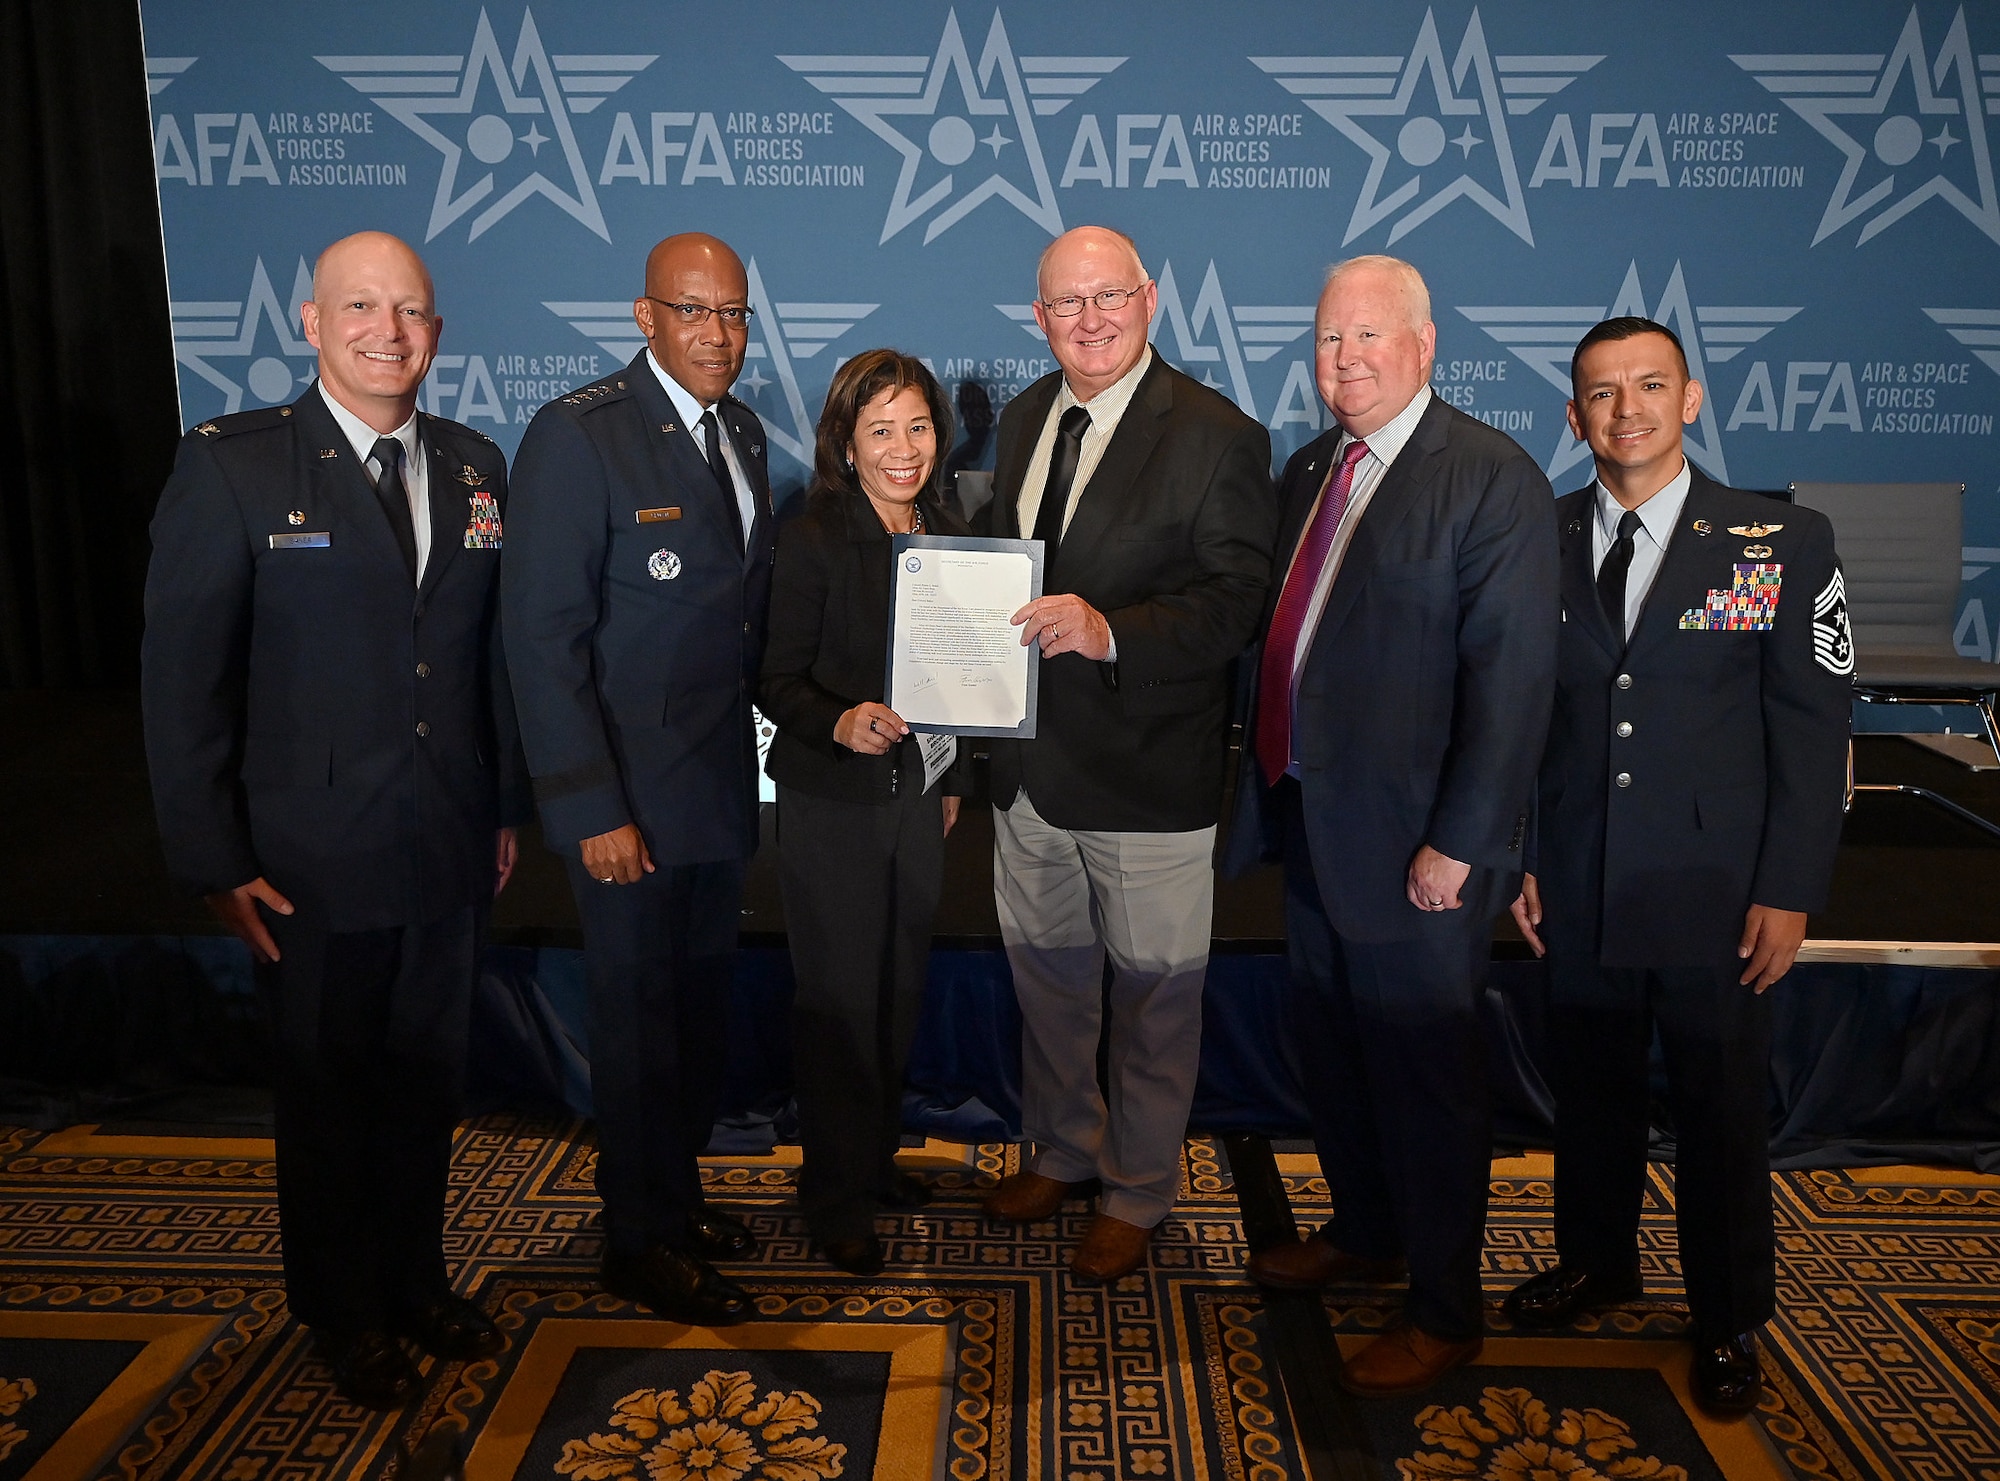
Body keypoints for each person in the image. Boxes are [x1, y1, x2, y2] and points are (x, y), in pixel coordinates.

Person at [142, 231, 526, 1408]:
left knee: (424, 1083)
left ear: (437, 331)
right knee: (326, 1097)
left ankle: (415, 1276)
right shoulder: (233, 467)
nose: (388, 331)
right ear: (310, 324)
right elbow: (182, 679)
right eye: (360, 307)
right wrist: (214, 859)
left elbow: (486, 663)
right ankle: (341, 1308)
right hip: (306, 862)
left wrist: (503, 806)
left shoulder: (473, 465)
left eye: (409, 310)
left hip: (447, 844)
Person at [1502, 317, 1851, 1416]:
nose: (1626, 410)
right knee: (1591, 1093)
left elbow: (1808, 726)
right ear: (1573, 417)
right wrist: (1520, 854)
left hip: (1713, 891)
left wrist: (1788, 885)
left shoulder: (1776, 541)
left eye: (1649, 385)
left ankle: (1727, 1313)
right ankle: (1597, 1259)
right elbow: (1518, 718)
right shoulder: (1536, 535)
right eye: (1600, 394)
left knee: (1716, 1111)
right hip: (1574, 876)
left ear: (1689, 399)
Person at [1227, 254, 1559, 1396]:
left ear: (1425, 344)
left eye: (1368, 337)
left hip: (1422, 851)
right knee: (1337, 1055)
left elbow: (1511, 685)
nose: (1344, 358)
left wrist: (1461, 843)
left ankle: (1442, 1306)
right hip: (1313, 822)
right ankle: (1364, 1229)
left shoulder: (1488, 477)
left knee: (1425, 1078)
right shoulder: (1311, 465)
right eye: (1326, 339)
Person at [978, 225, 1277, 1280]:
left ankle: (1140, 1189)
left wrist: (1110, 631)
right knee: (1050, 987)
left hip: (1148, 779)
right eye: (1066, 304)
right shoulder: (1020, 417)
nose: (1090, 319)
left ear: (1149, 299)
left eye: (1109, 296)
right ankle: (1060, 1151)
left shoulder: (1216, 434)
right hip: (1027, 778)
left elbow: (1234, 603)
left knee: (1154, 1000)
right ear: (1039, 317)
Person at [503, 233, 773, 1325]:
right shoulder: (579, 437)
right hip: (626, 806)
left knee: (694, 1020)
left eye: (734, 314)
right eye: (692, 310)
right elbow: (540, 640)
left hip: (712, 793)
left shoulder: (743, 432)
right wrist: (589, 808)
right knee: (634, 1025)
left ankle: (675, 1195)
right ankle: (635, 1237)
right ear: (643, 316)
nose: (717, 333)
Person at [758, 350, 970, 1275]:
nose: (902, 447)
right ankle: (833, 1195)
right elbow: (772, 678)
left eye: (917, 426)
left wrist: (959, 776)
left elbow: (970, 674)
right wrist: (838, 718)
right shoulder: (809, 538)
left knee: (896, 993)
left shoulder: (954, 528)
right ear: (846, 442)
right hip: (829, 805)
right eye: (880, 429)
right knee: (839, 1004)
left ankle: (873, 1161)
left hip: (920, 802)